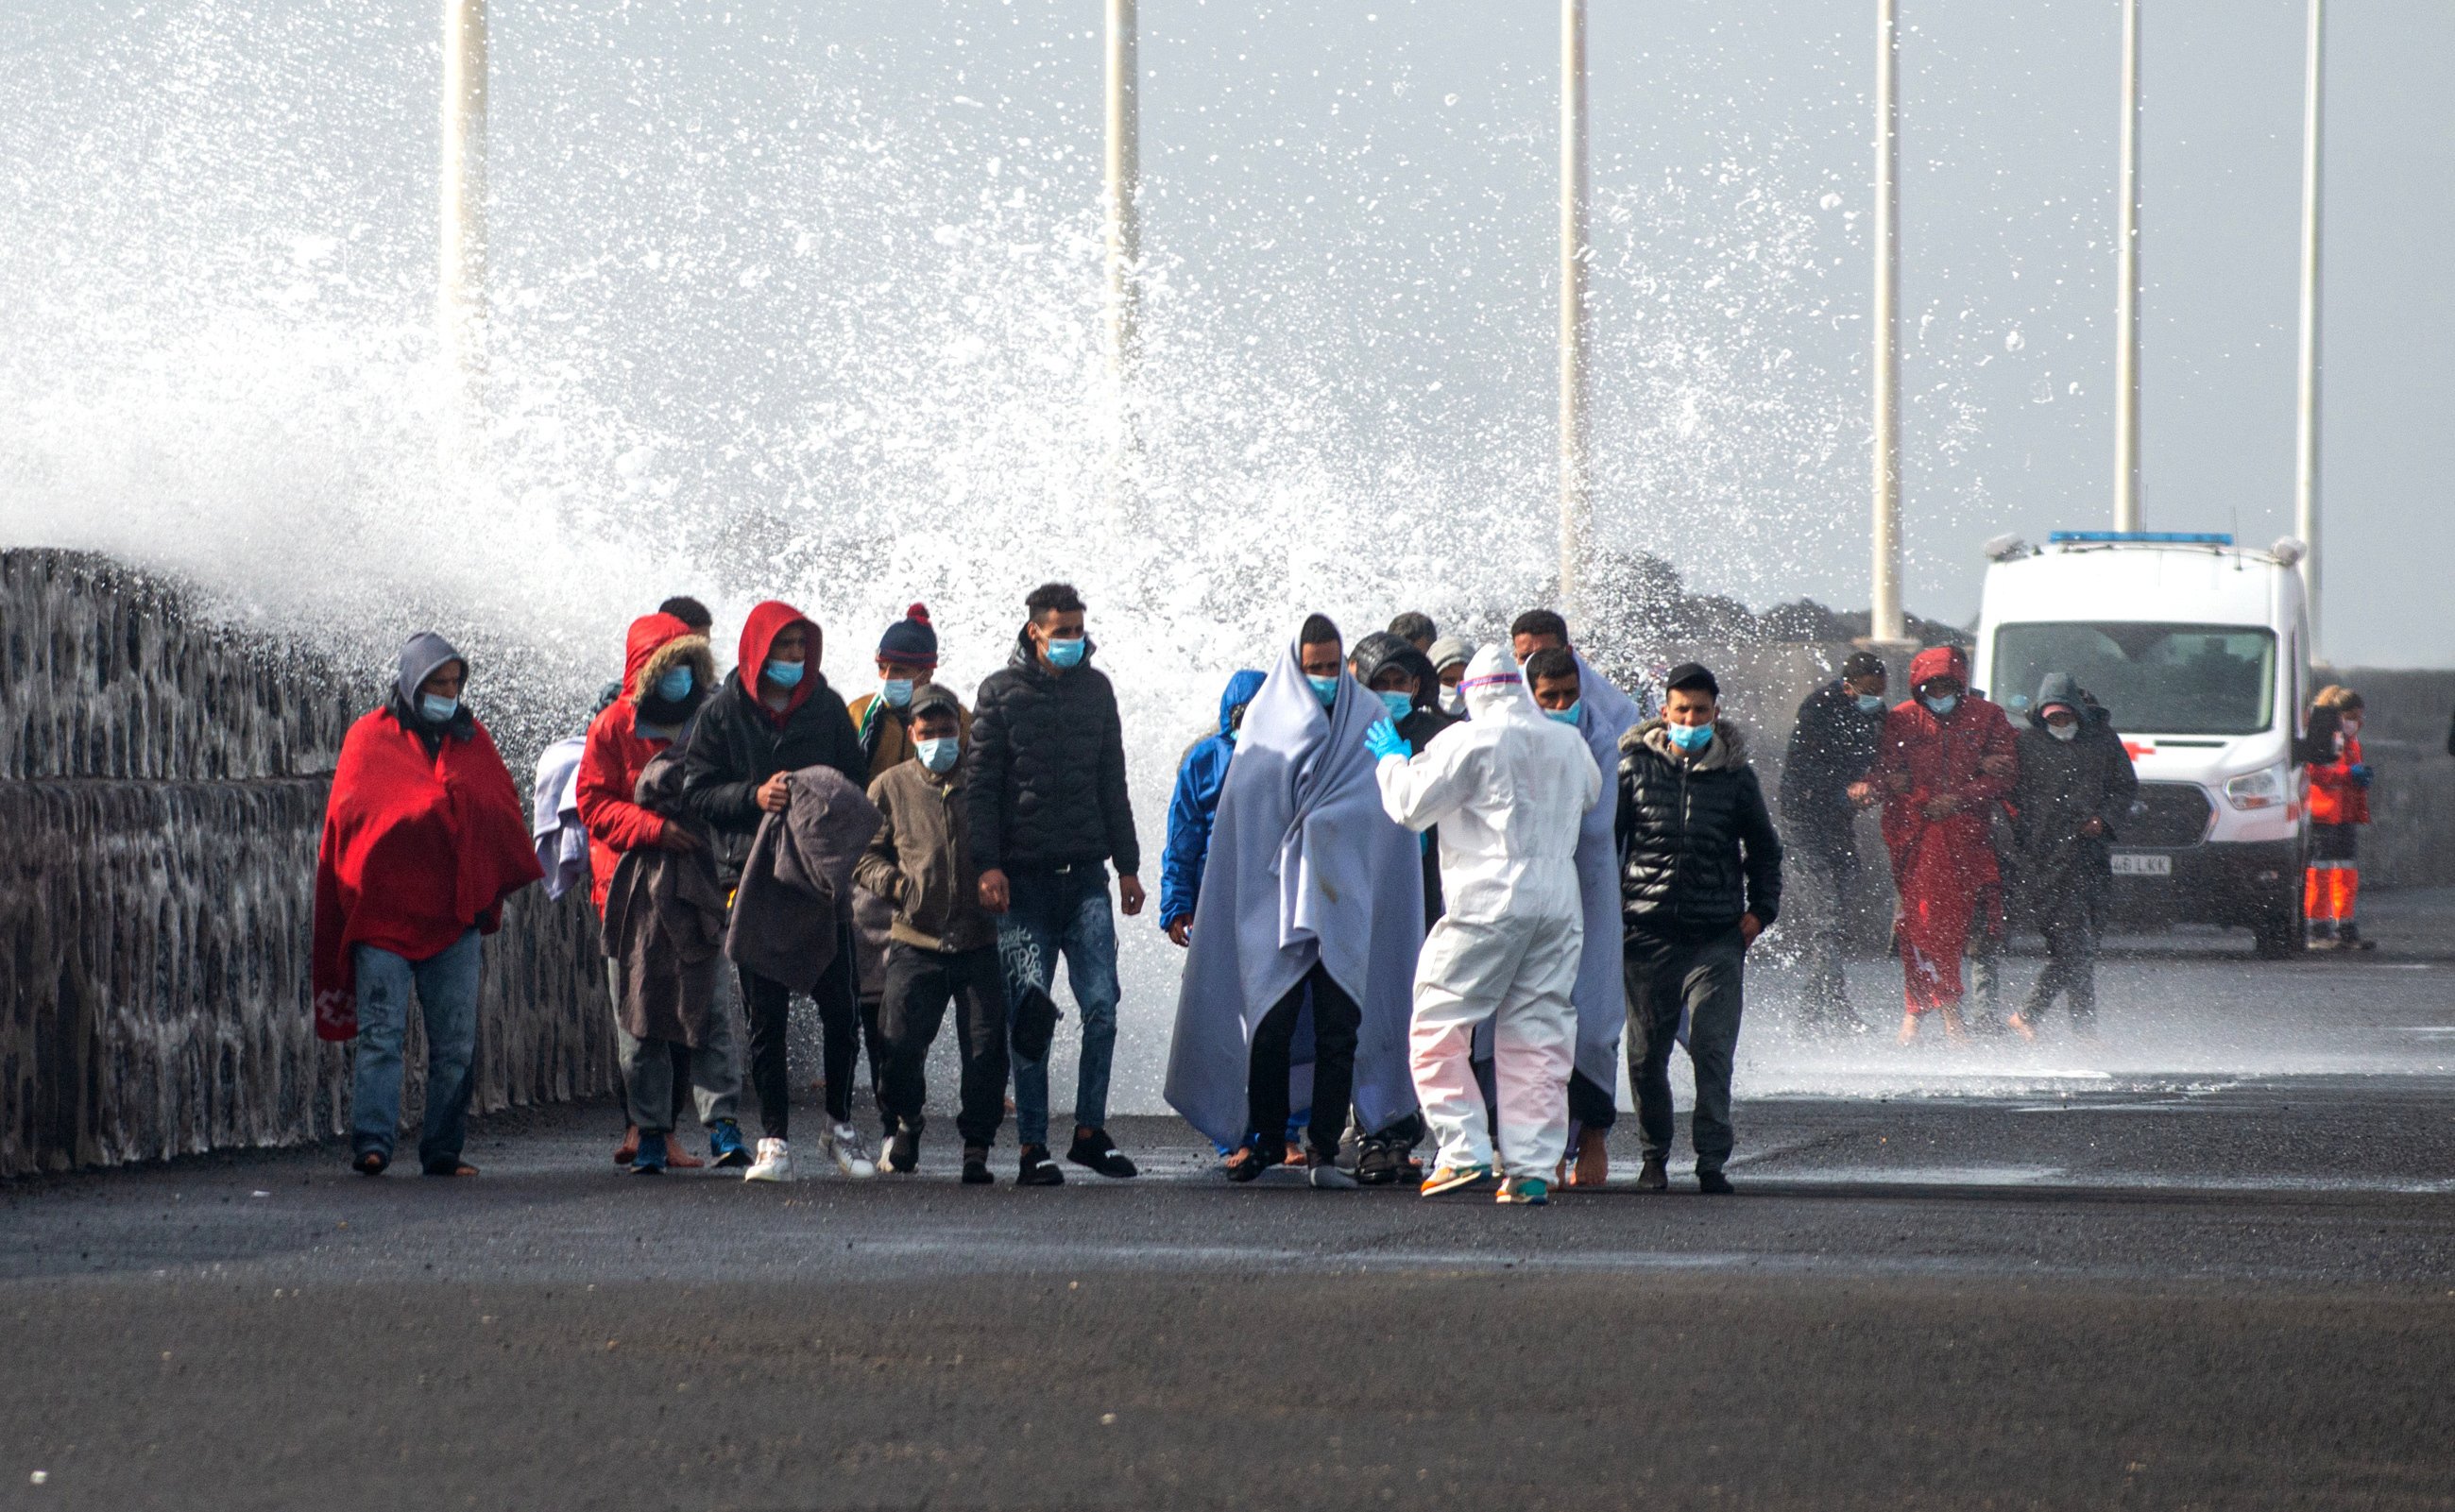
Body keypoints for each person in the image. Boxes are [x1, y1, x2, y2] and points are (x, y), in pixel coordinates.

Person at [1165, 618, 1424, 1189]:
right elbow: (1246, 818)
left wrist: (1331, 825)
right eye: (1316, 668)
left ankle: (1324, 1150)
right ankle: (1263, 1139)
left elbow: (1387, 818)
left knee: (1340, 1030)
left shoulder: (1370, 724)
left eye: (1334, 667)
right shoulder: (1265, 724)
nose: (1326, 678)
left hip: (1346, 899)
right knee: (1269, 1025)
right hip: (1273, 902)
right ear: (1296, 665)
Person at [1373, 645, 1601, 1205]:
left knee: (1437, 1024)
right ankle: (1531, 1168)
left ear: (1473, 693)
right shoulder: (1567, 741)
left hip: (1489, 898)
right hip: (1558, 904)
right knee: (1539, 1035)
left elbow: (1409, 807)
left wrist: (1390, 759)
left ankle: (1463, 1150)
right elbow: (1591, 795)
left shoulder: (1467, 738)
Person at [313, 633, 544, 1178]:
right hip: (383, 920)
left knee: (455, 1047)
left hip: (451, 920)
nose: (449, 692)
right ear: (412, 683)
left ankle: (442, 1149)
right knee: (381, 1037)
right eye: (438, 683)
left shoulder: (472, 739)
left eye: (455, 683)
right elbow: (352, 818)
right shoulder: (369, 738)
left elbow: (498, 807)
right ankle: (372, 1142)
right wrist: (427, 813)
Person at [680, 599, 876, 1183]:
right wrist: (751, 797)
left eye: (800, 647)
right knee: (766, 1018)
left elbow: (854, 783)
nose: (793, 659)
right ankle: (774, 1140)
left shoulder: (826, 706)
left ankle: (839, 1127)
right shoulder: (722, 713)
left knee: (841, 1011)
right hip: (753, 878)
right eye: (783, 648)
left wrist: (821, 808)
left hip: (817, 882)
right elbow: (697, 791)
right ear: (757, 651)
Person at [970, 582, 1146, 1186]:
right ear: (1034, 632)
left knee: (1102, 1005)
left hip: (1088, 881)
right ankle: (1032, 1147)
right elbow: (981, 790)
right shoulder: (999, 693)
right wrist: (985, 865)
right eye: (1062, 630)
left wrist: (1128, 866)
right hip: (1023, 887)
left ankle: (1090, 1134)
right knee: (1032, 1015)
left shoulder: (1097, 690)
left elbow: (1112, 782)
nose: (1074, 639)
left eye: (1078, 629)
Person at [576, 611, 747, 1170]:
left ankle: (723, 1124)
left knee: (713, 1008)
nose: (679, 674)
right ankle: (650, 1128)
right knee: (639, 1013)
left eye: (686, 663)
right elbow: (594, 802)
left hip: (700, 885)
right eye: (667, 664)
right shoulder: (613, 726)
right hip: (629, 894)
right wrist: (654, 829)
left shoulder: (715, 718)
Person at [1614, 663, 1782, 1194]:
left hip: (1716, 937)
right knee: (1645, 1057)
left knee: (1712, 1049)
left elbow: (1764, 849)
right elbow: (1607, 847)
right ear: (1663, 712)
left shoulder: (1735, 778)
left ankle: (1712, 1161)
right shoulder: (1633, 770)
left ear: (1715, 714)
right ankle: (1653, 1158)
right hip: (1645, 935)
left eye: (1700, 711)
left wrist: (1762, 911)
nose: (1690, 719)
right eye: (1681, 710)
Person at [1511, 612, 1656, 1188]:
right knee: (1530, 1018)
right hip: (1530, 892)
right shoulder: (1507, 728)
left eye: (1545, 655)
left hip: (1596, 891)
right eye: (1523, 657)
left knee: (1594, 1023)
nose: (1537, 670)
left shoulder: (1613, 721)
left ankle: (1592, 1134)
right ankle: (1537, 1140)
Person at [854, 685, 1010, 1183]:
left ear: (960, 732)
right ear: (914, 732)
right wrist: (899, 886)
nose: (939, 740)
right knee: (896, 1046)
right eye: (928, 732)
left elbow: (1012, 842)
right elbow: (862, 854)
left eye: (947, 731)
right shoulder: (890, 786)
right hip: (915, 940)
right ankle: (907, 1121)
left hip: (980, 940)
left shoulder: (985, 784)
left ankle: (977, 1146)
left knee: (985, 1051)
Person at [844, 604, 971, 1128]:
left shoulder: (958, 723)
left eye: (904, 671)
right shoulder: (857, 716)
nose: (893, 680)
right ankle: (891, 1103)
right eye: (886, 668)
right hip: (872, 872)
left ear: (929, 671)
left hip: (938, 874)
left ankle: (939, 1092)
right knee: (874, 999)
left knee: (942, 991)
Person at [1346, 632, 1454, 1184]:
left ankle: (1417, 1132)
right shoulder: (1345, 739)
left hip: (1435, 897)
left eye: (1400, 681)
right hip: (1365, 898)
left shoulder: (1443, 735)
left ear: (1417, 685)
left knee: (1427, 1020)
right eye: (1379, 681)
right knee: (1371, 1017)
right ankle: (1372, 1133)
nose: (1391, 691)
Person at [1869, 645, 2018, 1045]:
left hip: (1967, 840)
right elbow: (1886, 772)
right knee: (1917, 927)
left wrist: (1962, 797)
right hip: (1914, 839)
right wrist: (1909, 794)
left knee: (1952, 931)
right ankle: (1922, 1011)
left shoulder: (1987, 718)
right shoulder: (1901, 720)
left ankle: (1942, 1013)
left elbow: (2006, 773)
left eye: (1947, 685)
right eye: (1931, 686)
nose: (1940, 693)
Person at [2004, 674, 2138, 1038]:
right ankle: (2072, 1028)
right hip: (2044, 861)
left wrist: (2104, 819)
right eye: (2053, 719)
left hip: (2090, 857)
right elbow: (2011, 796)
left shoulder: (2102, 742)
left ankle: (2043, 1019)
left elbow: (2125, 786)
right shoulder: (2027, 745)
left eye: (2065, 717)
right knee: (2072, 946)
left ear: (2078, 713)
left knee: (2085, 944)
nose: (2060, 725)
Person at [1781, 650, 1889, 1035]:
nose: (1876, 698)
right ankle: (1832, 1009)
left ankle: (1813, 1012)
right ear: (1848, 687)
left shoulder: (1874, 714)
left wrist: (1873, 784)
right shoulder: (1819, 710)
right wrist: (1845, 792)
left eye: (1881, 690)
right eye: (1869, 691)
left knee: (1836, 917)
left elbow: (1879, 759)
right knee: (1826, 917)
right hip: (1804, 822)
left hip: (1838, 825)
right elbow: (1804, 771)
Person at [1159, 669, 1269, 948]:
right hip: (1212, 898)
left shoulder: (1289, 759)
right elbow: (1181, 840)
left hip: (1272, 902)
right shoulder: (1204, 760)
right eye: (1243, 717)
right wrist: (1176, 904)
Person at [2303, 686, 2375, 950]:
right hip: (2324, 813)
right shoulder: (2323, 737)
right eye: (2352, 716)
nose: (2357, 722)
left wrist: (2359, 778)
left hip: (2344, 813)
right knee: (2320, 870)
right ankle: (2318, 926)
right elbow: (2315, 771)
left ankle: (2344, 924)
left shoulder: (2351, 740)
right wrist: (2349, 775)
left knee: (2346, 871)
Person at [1428, 636, 1474, 717]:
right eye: (1449, 680)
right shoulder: (1414, 725)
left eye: (1465, 680)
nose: (1458, 687)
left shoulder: (1486, 722)